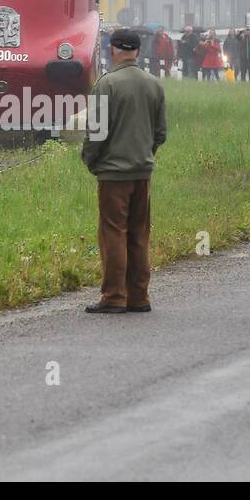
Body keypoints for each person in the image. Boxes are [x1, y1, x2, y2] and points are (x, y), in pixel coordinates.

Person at [81, 28, 166, 314]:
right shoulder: (154, 84)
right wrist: (144, 155)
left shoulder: (108, 84)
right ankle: (139, 297)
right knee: (139, 234)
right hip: (142, 173)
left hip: (113, 174)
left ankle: (114, 297)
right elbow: (160, 133)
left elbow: (97, 131)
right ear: (138, 52)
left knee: (113, 232)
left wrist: (91, 159)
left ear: (113, 49)